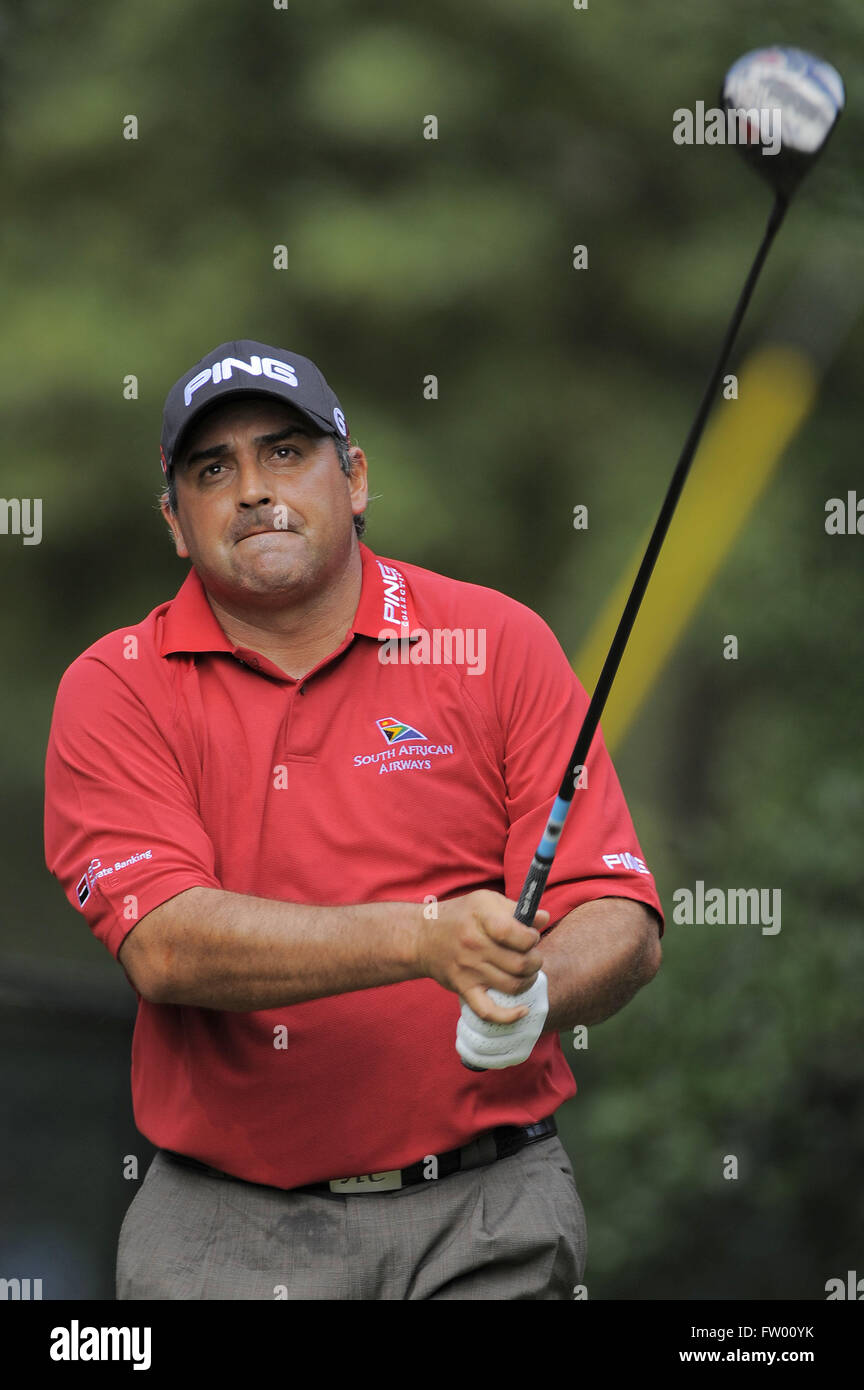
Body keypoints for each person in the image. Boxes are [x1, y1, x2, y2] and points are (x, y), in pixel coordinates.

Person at [44, 338, 664, 1301]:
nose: (253, 489)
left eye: (286, 452)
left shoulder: (497, 642)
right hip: (222, 1231)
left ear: (356, 476)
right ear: (176, 522)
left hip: (486, 1209)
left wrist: (536, 992)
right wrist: (428, 938)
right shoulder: (114, 686)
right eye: (214, 471)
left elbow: (616, 912)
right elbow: (167, 945)